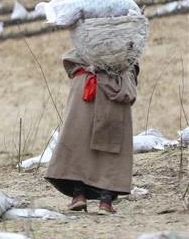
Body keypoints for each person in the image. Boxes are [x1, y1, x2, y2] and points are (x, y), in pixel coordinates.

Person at [45, 51, 138, 214]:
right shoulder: (126, 37)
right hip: (115, 85)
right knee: (110, 145)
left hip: (86, 85)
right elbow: (131, 61)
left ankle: (78, 195)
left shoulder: (87, 35)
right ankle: (105, 202)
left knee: (78, 141)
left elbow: (72, 59)